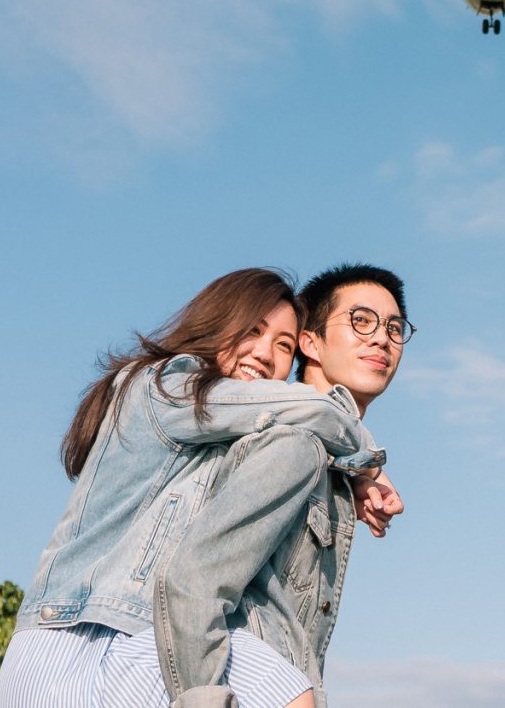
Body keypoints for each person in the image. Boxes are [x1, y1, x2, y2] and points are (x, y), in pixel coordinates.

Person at [0, 268, 391, 708]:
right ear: (216, 324)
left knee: (290, 685)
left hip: (139, 643)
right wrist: (363, 458)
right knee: (287, 689)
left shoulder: (240, 436)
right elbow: (302, 409)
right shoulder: (162, 386)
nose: (264, 353)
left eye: (281, 344)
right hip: (79, 641)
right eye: (252, 331)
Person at [150, 265, 412, 708]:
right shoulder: (291, 440)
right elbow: (198, 583)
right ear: (310, 342)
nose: (381, 338)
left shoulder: (332, 462)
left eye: (394, 327)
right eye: (361, 321)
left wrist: (356, 469)